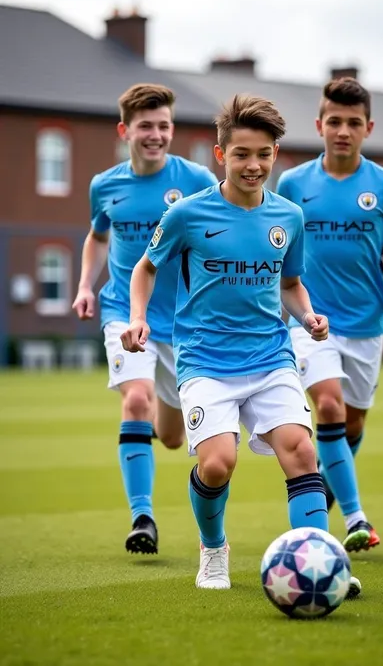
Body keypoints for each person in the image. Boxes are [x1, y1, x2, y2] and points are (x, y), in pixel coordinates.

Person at [120, 93, 344, 593]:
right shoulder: (188, 215)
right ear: (220, 155)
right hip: (204, 360)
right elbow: (146, 268)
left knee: (302, 453)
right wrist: (138, 318)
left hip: (270, 356)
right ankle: (214, 549)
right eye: (242, 154)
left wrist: (307, 316)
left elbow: (290, 283)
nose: (254, 164)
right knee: (218, 463)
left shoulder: (289, 218)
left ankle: (322, 564)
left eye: (263, 154)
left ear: (275, 154)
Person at [277, 77, 383, 552]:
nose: (343, 130)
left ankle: (330, 481)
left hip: (366, 325)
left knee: (351, 424)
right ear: (320, 125)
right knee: (328, 407)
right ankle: (356, 517)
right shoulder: (294, 182)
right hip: (311, 321)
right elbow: (273, 244)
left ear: (368, 128)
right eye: (334, 121)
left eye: (353, 123)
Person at [72, 83, 217, 555]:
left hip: (181, 320)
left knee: (173, 438)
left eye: (164, 126)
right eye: (146, 126)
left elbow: (220, 232)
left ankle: (151, 428)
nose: (156, 135)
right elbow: (97, 237)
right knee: (136, 400)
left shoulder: (196, 178)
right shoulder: (104, 185)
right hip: (123, 311)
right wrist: (83, 287)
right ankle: (143, 517)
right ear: (124, 130)